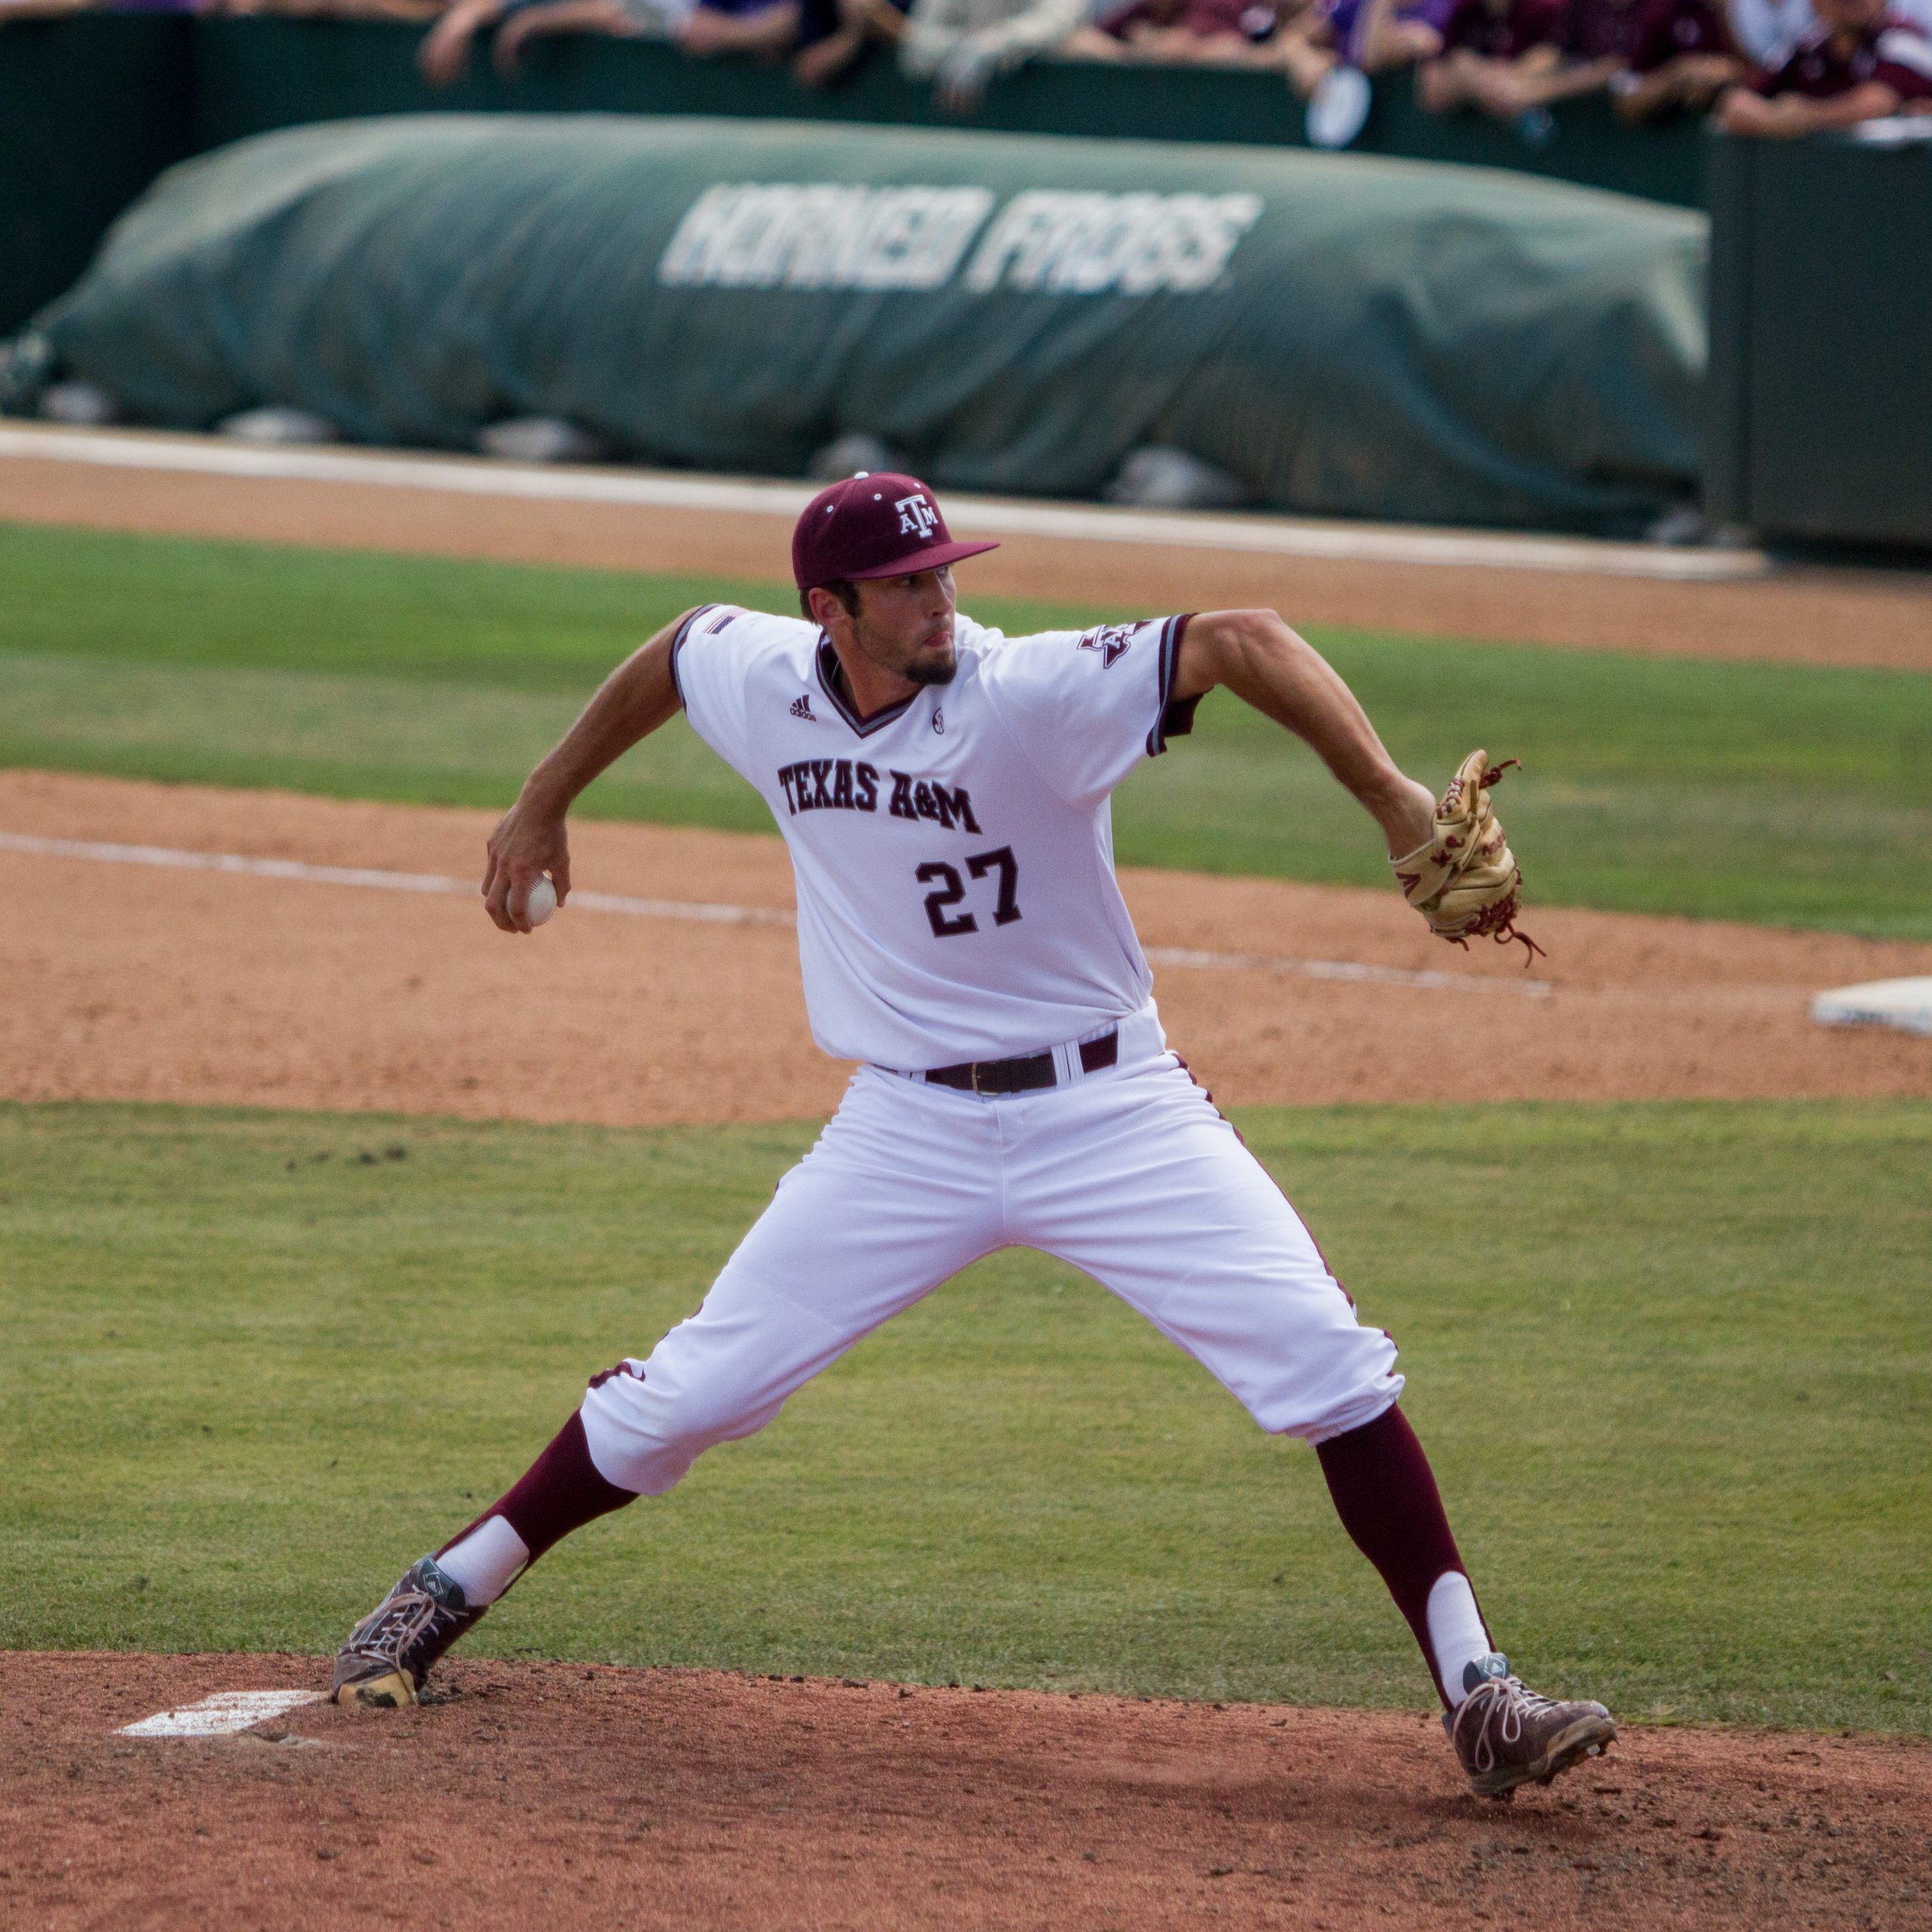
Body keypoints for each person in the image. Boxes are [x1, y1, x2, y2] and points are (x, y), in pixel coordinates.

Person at [328, 472, 1617, 1801]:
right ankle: (442, 1591)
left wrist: (1397, 800)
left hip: (1113, 1110)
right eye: (911, 582)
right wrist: (543, 799)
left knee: (1330, 1367)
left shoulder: (1028, 694)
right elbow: (676, 648)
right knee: (693, 1398)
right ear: (830, 610)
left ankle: (1481, 1695)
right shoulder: (766, 674)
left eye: (948, 569)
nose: (945, 596)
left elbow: (1244, 640)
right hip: (906, 1127)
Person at [1716, 0, 1932, 130]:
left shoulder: (1902, 37)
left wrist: (1808, 116)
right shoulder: (1807, 47)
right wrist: (1773, 121)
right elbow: (1735, 101)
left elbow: (1875, 103)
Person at [897, 0, 1091, 109]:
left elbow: (1057, 23)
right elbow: (916, 47)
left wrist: (992, 43)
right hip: (967, 126)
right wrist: (967, 44)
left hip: (1047, 114)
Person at [1415, 0, 1572, 122]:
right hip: (1467, 143)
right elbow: (1432, 92)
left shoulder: (1546, 8)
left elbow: (1551, 55)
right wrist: (1480, 81)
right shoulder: (1465, 9)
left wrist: (1511, 81)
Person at [1612, 0, 1746, 118]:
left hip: (1736, 119)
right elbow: (1628, 102)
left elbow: (1753, 68)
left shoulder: (1740, 9)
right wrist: (1679, 76)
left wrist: (1725, 71)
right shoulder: (1659, 11)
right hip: (1672, 133)